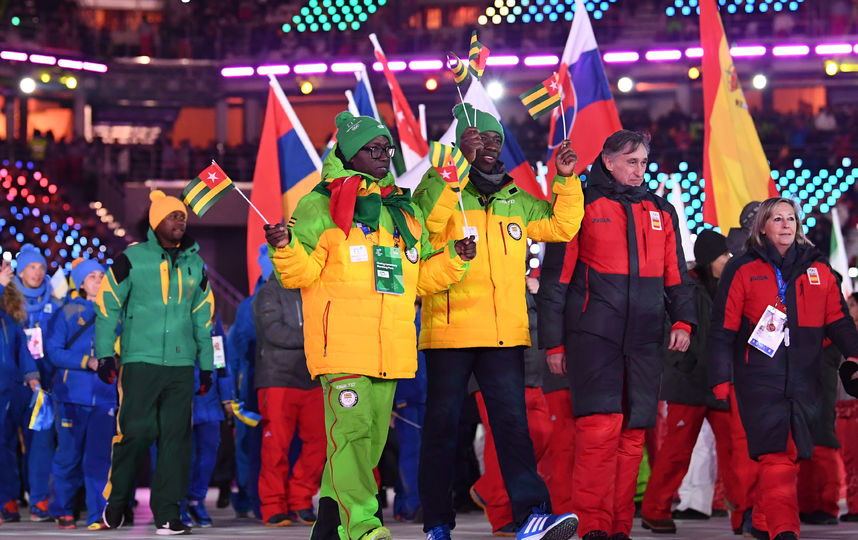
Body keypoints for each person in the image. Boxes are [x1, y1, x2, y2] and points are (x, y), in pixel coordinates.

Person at [264, 111, 474, 540]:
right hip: (341, 347)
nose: (383, 156)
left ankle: (327, 527)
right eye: (372, 150)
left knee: (366, 446)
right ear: (348, 153)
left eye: (386, 149)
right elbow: (299, 275)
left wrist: (455, 258)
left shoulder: (398, 211)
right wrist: (284, 248)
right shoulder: (318, 204)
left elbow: (417, 281)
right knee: (354, 438)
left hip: (390, 350)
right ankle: (362, 526)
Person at [413, 103, 583, 540]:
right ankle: (436, 522)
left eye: (493, 140)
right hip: (449, 332)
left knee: (513, 430)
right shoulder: (442, 187)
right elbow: (424, 225)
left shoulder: (517, 199)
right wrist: (454, 166)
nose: (487, 147)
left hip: (503, 335)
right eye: (478, 139)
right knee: (442, 429)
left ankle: (532, 516)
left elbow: (561, 226)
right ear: (462, 142)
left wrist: (564, 180)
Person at [538, 130, 696, 540]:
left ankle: (619, 528)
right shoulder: (581, 205)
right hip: (594, 336)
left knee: (633, 434)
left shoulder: (661, 210)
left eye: (644, 162)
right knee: (599, 430)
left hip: (644, 338)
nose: (639, 169)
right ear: (608, 161)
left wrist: (683, 321)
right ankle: (592, 526)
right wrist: (553, 342)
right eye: (631, 161)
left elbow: (677, 274)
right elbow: (556, 280)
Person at [709, 197, 858, 540]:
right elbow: (723, 330)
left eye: (791, 218)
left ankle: (762, 520)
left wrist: (855, 354)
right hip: (759, 378)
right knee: (776, 455)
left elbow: (838, 321)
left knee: (790, 456)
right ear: (762, 226)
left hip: (806, 377)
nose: (786, 224)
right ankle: (784, 530)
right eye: (777, 218)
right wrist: (719, 379)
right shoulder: (742, 268)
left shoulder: (819, 270)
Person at [95, 190, 216, 535]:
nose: (180, 221)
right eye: (172, 216)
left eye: (183, 216)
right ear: (155, 221)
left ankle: (167, 514)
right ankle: (118, 499)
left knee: (177, 441)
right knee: (135, 433)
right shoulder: (131, 259)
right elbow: (106, 306)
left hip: (180, 366)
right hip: (139, 362)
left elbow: (203, 320)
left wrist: (206, 366)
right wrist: (105, 353)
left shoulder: (196, 264)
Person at [639, 230, 736, 534]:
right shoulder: (683, 286)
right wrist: (685, 364)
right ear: (709, 259)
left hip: (721, 382)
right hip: (688, 382)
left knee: (736, 451)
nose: (729, 260)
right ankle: (655, 510)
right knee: (676, 452)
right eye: (724, 255)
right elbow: (666, 328)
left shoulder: (729, 287)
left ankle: (745, 514)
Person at [469, 274, 555, 536]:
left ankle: (487, 488)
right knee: (500, 442)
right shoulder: (479, 274)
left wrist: (541, 292)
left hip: (531, 372)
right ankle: (501, 516)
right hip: (492, 373)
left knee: (542, 433)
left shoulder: (528, 282)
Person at [45, 258, 116, 530]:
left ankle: (98, 514)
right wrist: (86, 361)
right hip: (72, 396)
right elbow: (53, 351)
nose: (98, 280)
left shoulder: (115, 312)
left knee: (99, 459)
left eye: (101, 275)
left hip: (104, 397)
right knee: (69, 457)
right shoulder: (66, 312)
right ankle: (62, 509)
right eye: (92, 277)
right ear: (81, 282)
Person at [252, 272, 325, 527]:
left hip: (313, 378)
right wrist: (317, 338)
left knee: (320, 443)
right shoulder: (269, 292)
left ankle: (302, 500)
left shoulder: (317, 288)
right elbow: (274, 332)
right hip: (277, 379)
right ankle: (273, 505)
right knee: (275, 447)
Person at [14, 243, 62, 522]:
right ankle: (9, 498)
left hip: (45, 384)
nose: (37, 272)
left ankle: (39, 499)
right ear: (20, 272)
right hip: (13, 382)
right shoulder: (7, 301)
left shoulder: (55, 302)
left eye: (41, 267)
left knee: (40, 442)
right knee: (7, 443)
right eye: (31, 267)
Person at [179, 315, 235, 529]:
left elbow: (221, 361)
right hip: (183, 398)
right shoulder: (177, 309)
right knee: (186, 455)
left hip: (209, 399)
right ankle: (180, 502)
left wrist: (227, 396)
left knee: (210, 452)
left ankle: (197, 499)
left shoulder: (213, 321)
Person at [0, 261, 41, 525]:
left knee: (7, 446)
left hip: (11, 386)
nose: (7, 271)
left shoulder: (11, 306)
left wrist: (32, 377)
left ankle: (8, 498)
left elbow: (22, 347)